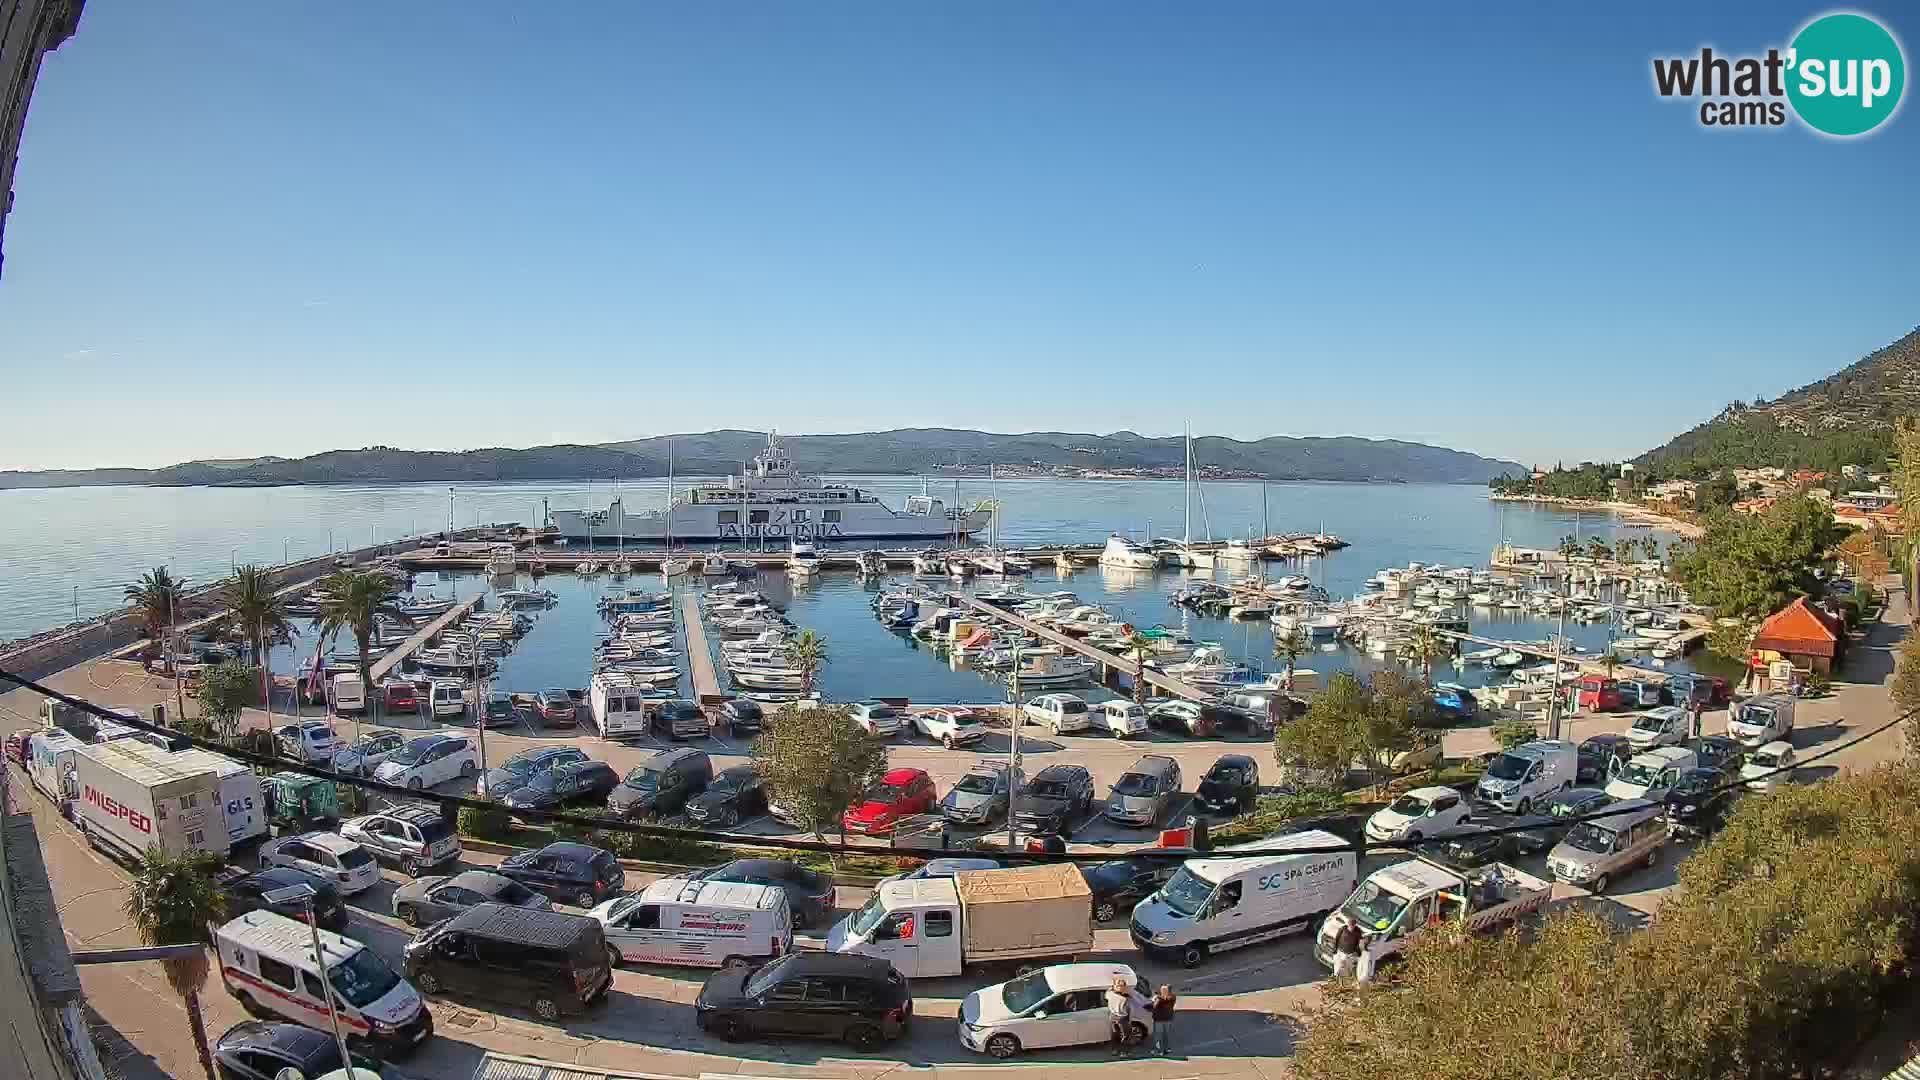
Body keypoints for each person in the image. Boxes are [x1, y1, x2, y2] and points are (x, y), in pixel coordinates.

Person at [1107, 975, 1133, 1053]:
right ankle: (1124, 1052)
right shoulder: (1126, 998)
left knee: (1115, 1034)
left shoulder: (1109, 994)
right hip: (1122, 1018)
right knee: (1126, 1036)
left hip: (1112, 1017)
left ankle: (1114, 1050)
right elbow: (1128, 1010)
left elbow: (1109, 990)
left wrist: (1114, 982)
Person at [1150, 985, 1178, 1056]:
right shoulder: (1172, 997)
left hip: (1159, 1020)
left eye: (1165, 990)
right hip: (1168, 1019)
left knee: (1158, 1035)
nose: (1163, 991)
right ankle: (1166, 1049)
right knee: (1166, 1035)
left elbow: (1154, 1006)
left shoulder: (1161, 999)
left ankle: (1158, 1051)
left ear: (1168, 991)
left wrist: (1154, 999)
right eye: (1162, 989)